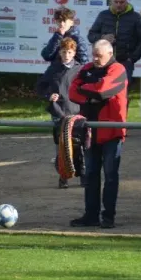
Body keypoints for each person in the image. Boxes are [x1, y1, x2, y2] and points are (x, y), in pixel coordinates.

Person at [68, 40, 128, 229]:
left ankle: (108, 217)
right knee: (91, 174)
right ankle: (91, 215)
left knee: (110, 175)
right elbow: (72, 92)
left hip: (112, 132)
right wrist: (92, 94)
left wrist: (88, 90)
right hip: (90, 131)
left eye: (99, 55)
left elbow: (103, 90)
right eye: (93, 54)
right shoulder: (86, 68)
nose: (94, 58)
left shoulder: (118, 69)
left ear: (110, 54)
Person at [36, 37, 81, 189]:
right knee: (61, 146)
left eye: (69, 52)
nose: (66, 55)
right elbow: (40, 86)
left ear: (74, 53)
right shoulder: (53, 68)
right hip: (59, 112)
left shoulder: (80, 69)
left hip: (76, 111)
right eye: (63, 52)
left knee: (79, 145)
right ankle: (63, 177)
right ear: (60, 53)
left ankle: (83, 176)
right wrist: (48, 95)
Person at [87, 0, 141, 90]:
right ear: (111, 1)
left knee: (122, 93)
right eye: (116, 2)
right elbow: (91, 36)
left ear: (127, 1)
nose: (119, 5)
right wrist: (103, 38)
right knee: (102, 92)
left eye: (122, 2)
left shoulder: (135, 17)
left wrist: (132, 59)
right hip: (104, 62)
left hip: (125, 63)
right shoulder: (103, 15)